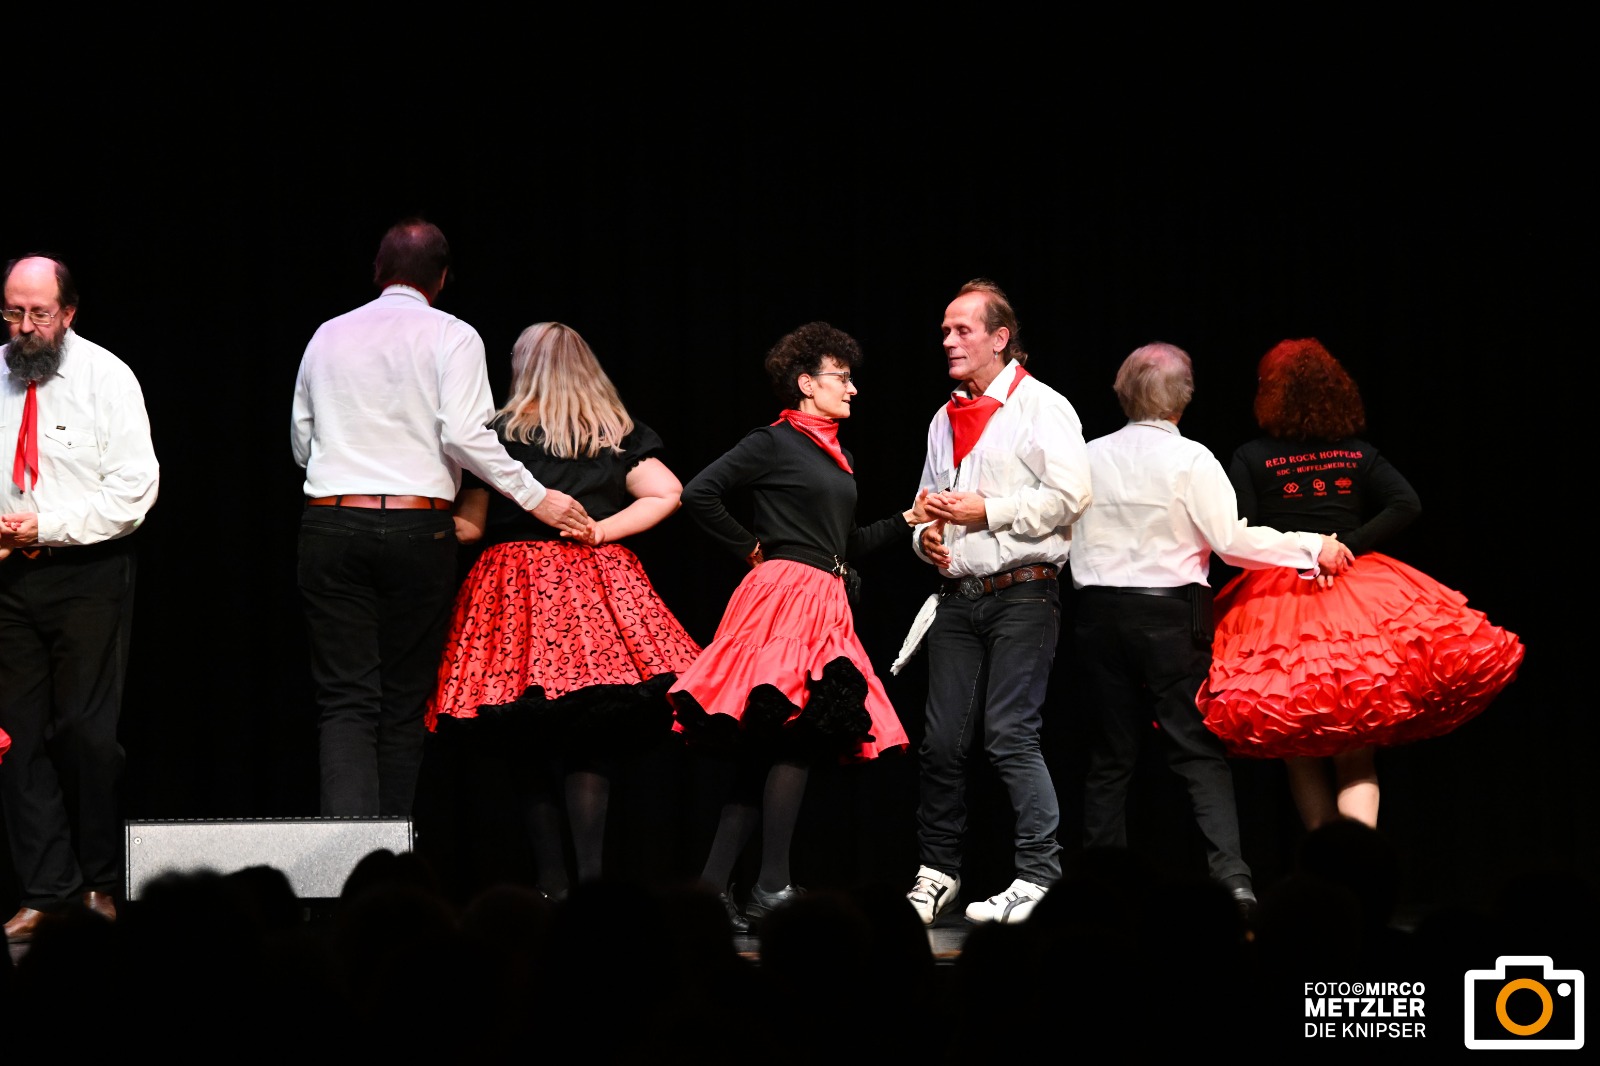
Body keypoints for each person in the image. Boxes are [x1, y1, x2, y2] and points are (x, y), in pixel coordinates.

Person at [291, 219, 589, 818]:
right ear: (443, 278)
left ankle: (347, 861)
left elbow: (303, 443)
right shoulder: (454, 335)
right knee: (403, 703)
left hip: (332, 524)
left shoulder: (327, 334)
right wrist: (535, 497)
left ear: (377, 272)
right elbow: (464, 436)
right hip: (416, 529)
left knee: (346, 701)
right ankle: (389, 861)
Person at [1068, 342, 1352, 918]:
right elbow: (1232, 543)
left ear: (1122, 394)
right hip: (1169, 618)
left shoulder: (1086, 456)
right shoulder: (1193, 459)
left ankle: (1101, 888)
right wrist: (1311, 545)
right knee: (1197, 753)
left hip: (1097, 618)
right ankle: (1233, 883)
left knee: (1110, 757)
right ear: (1184, 399)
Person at [1197, 338, 1524, 828]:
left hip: (1277, 602)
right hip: (1356, 594)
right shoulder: (1355, 454)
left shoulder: (1252, 456)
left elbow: (1240, 529)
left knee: (1296, 747)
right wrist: (1347, 545)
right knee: (1356, 752)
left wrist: (1310, 547)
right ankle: (1356, 863)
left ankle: (1327, 862)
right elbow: (1405, 503)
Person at [426, 322, 700, 898]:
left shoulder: (495, 435)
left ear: (521, 366)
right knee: (589, 735)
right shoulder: (614, 432)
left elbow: (471, 527)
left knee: (525, 736)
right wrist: (600, 532)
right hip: (596, 593)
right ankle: (592, 887)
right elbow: (668, 491)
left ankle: (552, 883)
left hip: (516, 591)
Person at [668, 321, 922, 931]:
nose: (853, 389)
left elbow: (845, 544)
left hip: (825, 598)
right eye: (842, 378)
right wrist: (750, 547)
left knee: (772, 748)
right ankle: (770, 887)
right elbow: (699, 493)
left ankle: (715, 891)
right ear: (807, 383)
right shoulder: (774, 441)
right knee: (794, 736)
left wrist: (909, 518)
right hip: (783, 598)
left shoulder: (841, 455)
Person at [899, 279, 1093, 926]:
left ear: (999, 338)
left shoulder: (1041, 406)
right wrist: (926, 537)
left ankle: (1038, 874)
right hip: (957, 598)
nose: (948, 340)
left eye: (963, 330)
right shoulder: (944, 417)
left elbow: (1071, 497)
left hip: (1023, 594)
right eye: (945, 331)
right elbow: (925, 505)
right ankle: (937, 871)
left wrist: (990, 511)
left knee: (1010, 735)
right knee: (941, 743)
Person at [0, 254, 159, 943]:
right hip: (8, 579)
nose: (24, 327)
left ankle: (98, 883)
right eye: (13, 312)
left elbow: (134, 492)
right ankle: (46, 892)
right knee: (13, 742)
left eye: (39, 313)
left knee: (87, 737)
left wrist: (44, 526)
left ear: (68, 313)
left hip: (87, 572)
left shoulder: (106, 378)